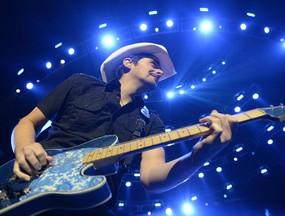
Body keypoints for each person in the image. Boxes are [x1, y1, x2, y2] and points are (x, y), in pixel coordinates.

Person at [11, 42, 237, 215]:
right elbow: (27, 122)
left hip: (93, 205)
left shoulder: (151, 122)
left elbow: (151, 178)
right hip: (32, 185)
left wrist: (201, 154)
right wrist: (24, 149)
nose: (159, 72)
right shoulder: (80, 83)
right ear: (128, 62)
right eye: (154, 65)